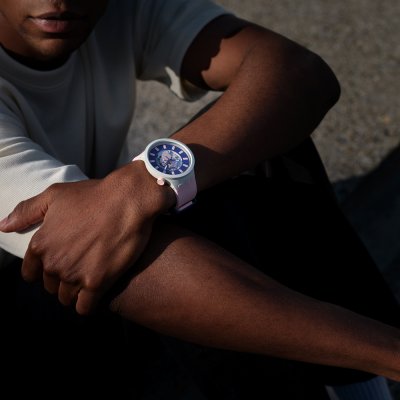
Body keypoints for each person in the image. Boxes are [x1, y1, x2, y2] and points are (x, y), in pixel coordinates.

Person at [0, 0, 399, 398]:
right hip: (28, 336)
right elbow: (91, 248)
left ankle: (362, 388)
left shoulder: (116, 11)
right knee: (124, 252)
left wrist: (142, 183)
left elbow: (299, 72)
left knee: (257, 145)